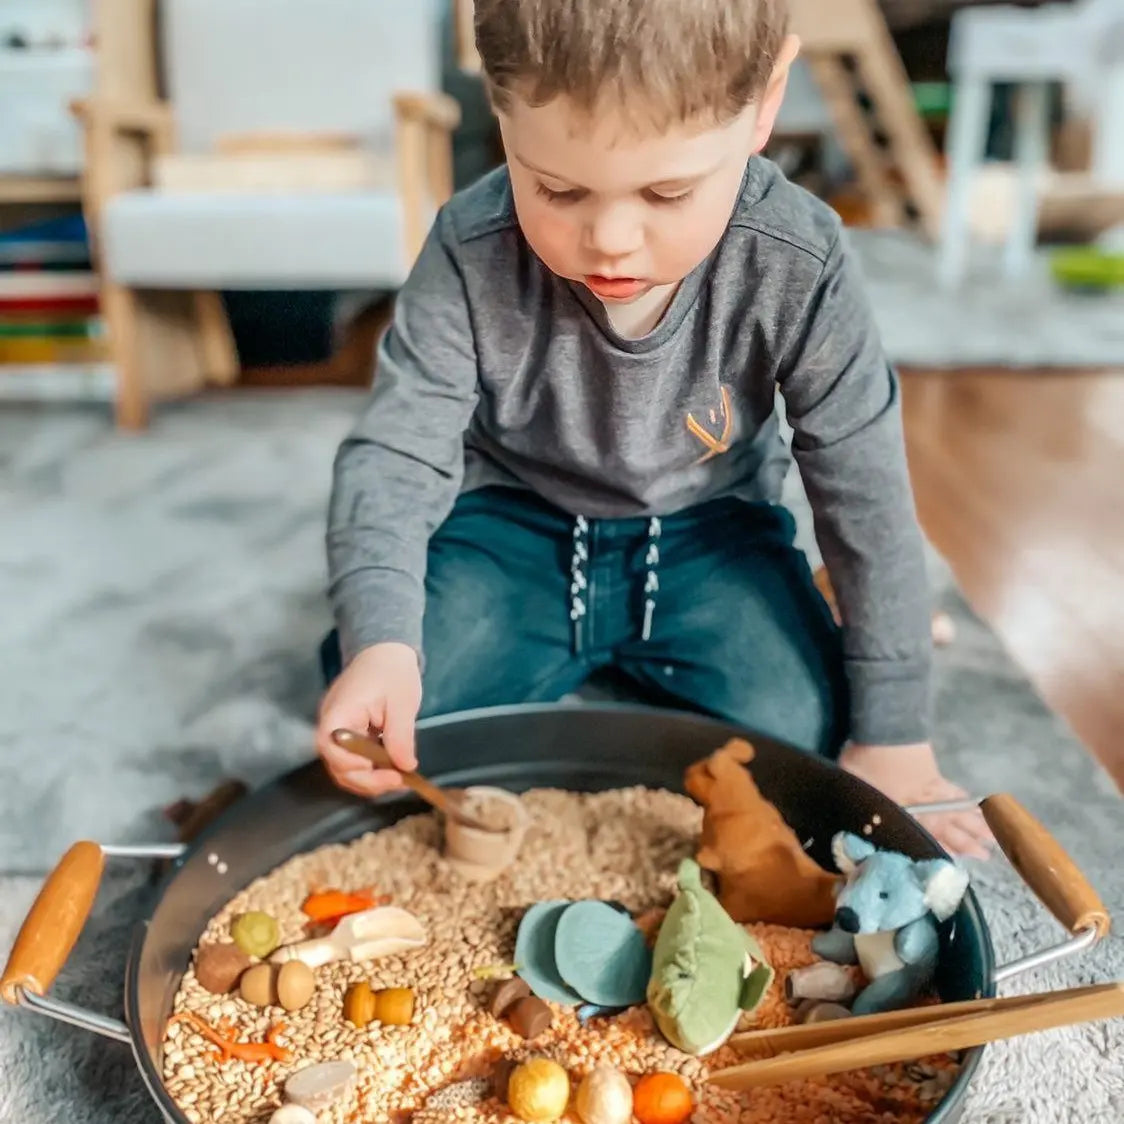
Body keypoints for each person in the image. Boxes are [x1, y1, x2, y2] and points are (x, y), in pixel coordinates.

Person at [315, 0, 992, 858]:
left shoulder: (801, 258)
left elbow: (866, 495)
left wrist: (894, 734)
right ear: (499, 100)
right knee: (393, 701)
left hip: (708, 536)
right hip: (516, 527)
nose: (610, 241)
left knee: (810, 729)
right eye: (556, 188)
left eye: (668, 192)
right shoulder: (468, 245)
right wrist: (382, 644)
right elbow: (396, 452)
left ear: (765, 101)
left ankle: (794, 609)